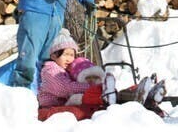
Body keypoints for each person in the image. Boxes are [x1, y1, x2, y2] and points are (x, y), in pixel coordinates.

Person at [38, 29, 167, 121]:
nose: (69, 59)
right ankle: (128, 96)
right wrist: (90, 87)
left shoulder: (66, 70)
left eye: (72, 55)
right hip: (51, 109)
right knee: (90, 107)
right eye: (65, 54)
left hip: (66, 104)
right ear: (54, 55)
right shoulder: (50, 70)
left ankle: (139, 95)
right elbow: (64, 88)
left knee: (97, 103)